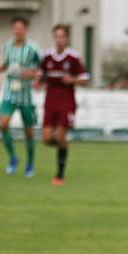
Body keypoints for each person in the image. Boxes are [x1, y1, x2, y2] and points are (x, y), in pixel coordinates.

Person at [0, 15, 42, 178]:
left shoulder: (32, 49)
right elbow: (6, 65)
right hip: (9, 93)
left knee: (28, 132)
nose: (18, 31)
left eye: (21, 28)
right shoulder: (8, 46)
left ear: (26, 30)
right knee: (3, 125)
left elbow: (41, 69)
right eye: (15, 28)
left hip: (25, 95)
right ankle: (13, 158)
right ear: (12, 29)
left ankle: (30, 164)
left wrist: (32, 76)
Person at [36, 24, 90, 186]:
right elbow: (40, 73)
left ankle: (59, 175)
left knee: (59, 136)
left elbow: (85, 79)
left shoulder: (73, 57)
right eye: (57, 36)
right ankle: (63, 146)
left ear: (67, 38)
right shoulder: (47, 56)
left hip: (67, 101)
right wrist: (37, 81)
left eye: (62, 37)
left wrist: (72, 80)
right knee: (46, 139)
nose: (59, 40)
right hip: (50, 100)